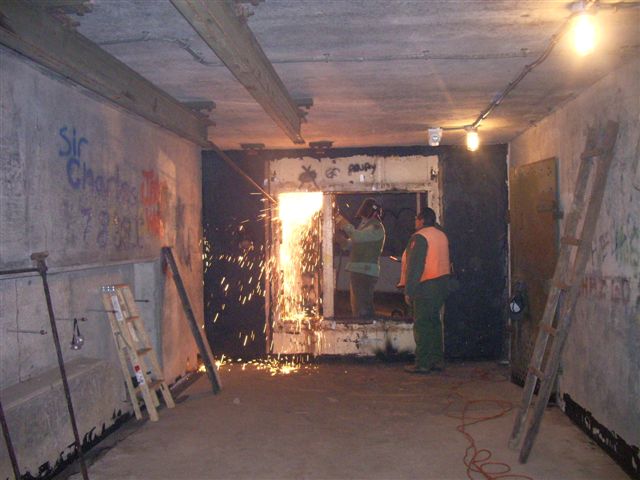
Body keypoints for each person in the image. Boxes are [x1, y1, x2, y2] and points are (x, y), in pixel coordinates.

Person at [401, 207, 450, 374]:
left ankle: (422, 363)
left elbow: (415, 267)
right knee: (434, 323)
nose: (415, 222)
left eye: (416, 219)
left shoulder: (420, 238)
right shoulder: (441, 234)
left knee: (422, 324)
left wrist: (409, 290)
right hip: (442, 284)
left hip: (426, 286)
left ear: (421, 220)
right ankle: (437, 360)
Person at [335, 198, 385, 318]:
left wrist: (343, 222)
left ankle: (366, 333)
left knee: (363, 308)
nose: (362, 219)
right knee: (357, 307)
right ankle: (363, 331)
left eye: (364, 215)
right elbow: (348, 245)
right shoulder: (366, 228)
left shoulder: (376, 228)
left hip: (365, 272)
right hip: (359, 272)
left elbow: (356, 237)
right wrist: (336, 236)